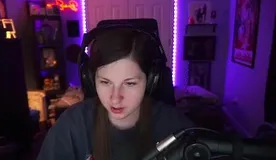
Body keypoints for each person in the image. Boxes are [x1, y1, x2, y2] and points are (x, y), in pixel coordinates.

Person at [37, 27, 191, 160]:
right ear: (91, 80)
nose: (115, 98)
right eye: (105, 82)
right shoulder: (72, 125)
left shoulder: (177, 127)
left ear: (151, 80)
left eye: (130, 83)